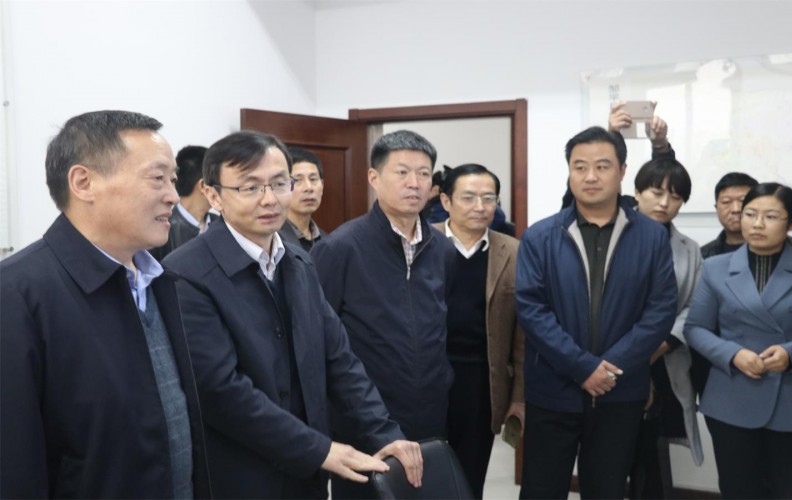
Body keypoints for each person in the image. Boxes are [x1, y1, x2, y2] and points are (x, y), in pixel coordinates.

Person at [163, 130, 422, 499]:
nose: (270, 199)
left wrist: (384, 434)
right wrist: (320, 450)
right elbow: (221, 392)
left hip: (306, 474)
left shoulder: (299, 260)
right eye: (250, 187)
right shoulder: (187, 273)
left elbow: (339, 359)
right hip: (239, 474)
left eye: (280, 183)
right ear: (213, 195)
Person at [0, 110, 211, 498]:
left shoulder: (160, 281)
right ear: (84, 183)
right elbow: (15, 465)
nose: (172, 195)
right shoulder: (16, 295)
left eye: (173, 179)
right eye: (157, 178)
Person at [516, 126, 677, 499]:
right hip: (553, 389)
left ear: (622, 171)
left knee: (607, 489)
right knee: (541, 489)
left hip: (620, 391)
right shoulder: (539, 236)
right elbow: (531, 309)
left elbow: (660, 310)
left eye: (602, 166)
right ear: (569, 172)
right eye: (580, 167)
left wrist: (610, 368)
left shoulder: (652, 236)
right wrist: (581, 366)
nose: (590, 176)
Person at [311, 129, 454, 499]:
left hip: (430, 414)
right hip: (364, 418)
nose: (414, 183)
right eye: (402, 172)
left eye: (424, 174)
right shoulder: (340, 248)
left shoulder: (441, 248)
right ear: (374, 178)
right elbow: (320, 340)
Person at [685, 183, 792, 500]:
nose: (757, 224)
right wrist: (733, 354)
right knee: (737, 489)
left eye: (770, 216)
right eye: (750, 214)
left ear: (791, 222)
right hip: (731, 396)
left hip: (791, 398)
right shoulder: (715, 267)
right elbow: (695, 328)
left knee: (781, 489)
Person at [432, 163, 525, 499]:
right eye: (469, 197)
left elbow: (522, 335)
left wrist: (518, 397)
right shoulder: (422, 242)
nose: (480, 206)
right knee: (424, 471)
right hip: (428, 377)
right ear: (446, 201)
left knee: (471, 474)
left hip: (482, 382)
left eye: (489, 198)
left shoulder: (513, 251)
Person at [628, 157, 704, 498]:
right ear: (636, 193)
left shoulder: (689, 249)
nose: (664, 203)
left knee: (652, 448)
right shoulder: (613, 237)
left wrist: (661, 345)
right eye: (656, 192)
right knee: (612, 450)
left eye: (675, 197)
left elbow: (695, 307)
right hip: (615, 359)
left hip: (664, 356)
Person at [150, 144, 217, 260]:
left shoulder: (222, 224)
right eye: (220, 180)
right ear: (203, 186)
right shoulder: (160, 230)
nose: (226, 188)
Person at [278, 146, 326, 252]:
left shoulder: (327, 240)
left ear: (322, 185)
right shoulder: (273, 239)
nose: (309, 188)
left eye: (313, 179)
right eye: (297, 180)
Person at [700, 173, 759, 258]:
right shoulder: (702, 255)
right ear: (716, 208)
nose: (736, 209)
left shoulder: (774, 249)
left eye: (743, 200)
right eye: (726, 202)